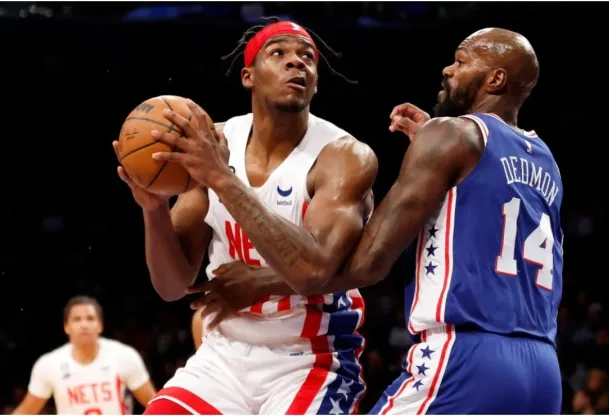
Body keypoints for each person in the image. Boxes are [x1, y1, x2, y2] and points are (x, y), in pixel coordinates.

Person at [192, 27, 564, 414]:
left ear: (496, 79)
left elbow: (370, 263)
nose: (448, 70)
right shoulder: (543, 159)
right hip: (542, 369)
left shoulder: (450, 135)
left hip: (468, 356)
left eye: (461, 61)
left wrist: (262, 282)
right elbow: (488, 212)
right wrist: (437, 154)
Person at [113, 19, 376, 414]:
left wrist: (221, 178)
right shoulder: (214, 142)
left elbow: (312, 272)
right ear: (248, 76)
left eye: (307, 58)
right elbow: (172, 286)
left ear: (317, 83)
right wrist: (153, 210)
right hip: (224, 355)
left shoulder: (343, 157)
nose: (296, 63)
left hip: (311, 357)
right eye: (279, 54)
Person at [13, 296, 156, 415]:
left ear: (100, 325)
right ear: (66, 327)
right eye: (77, 319)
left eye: (90, 318)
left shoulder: (125, 356)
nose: (84, 325)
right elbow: (26, 412)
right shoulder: (48, 364)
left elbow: (156, 404)